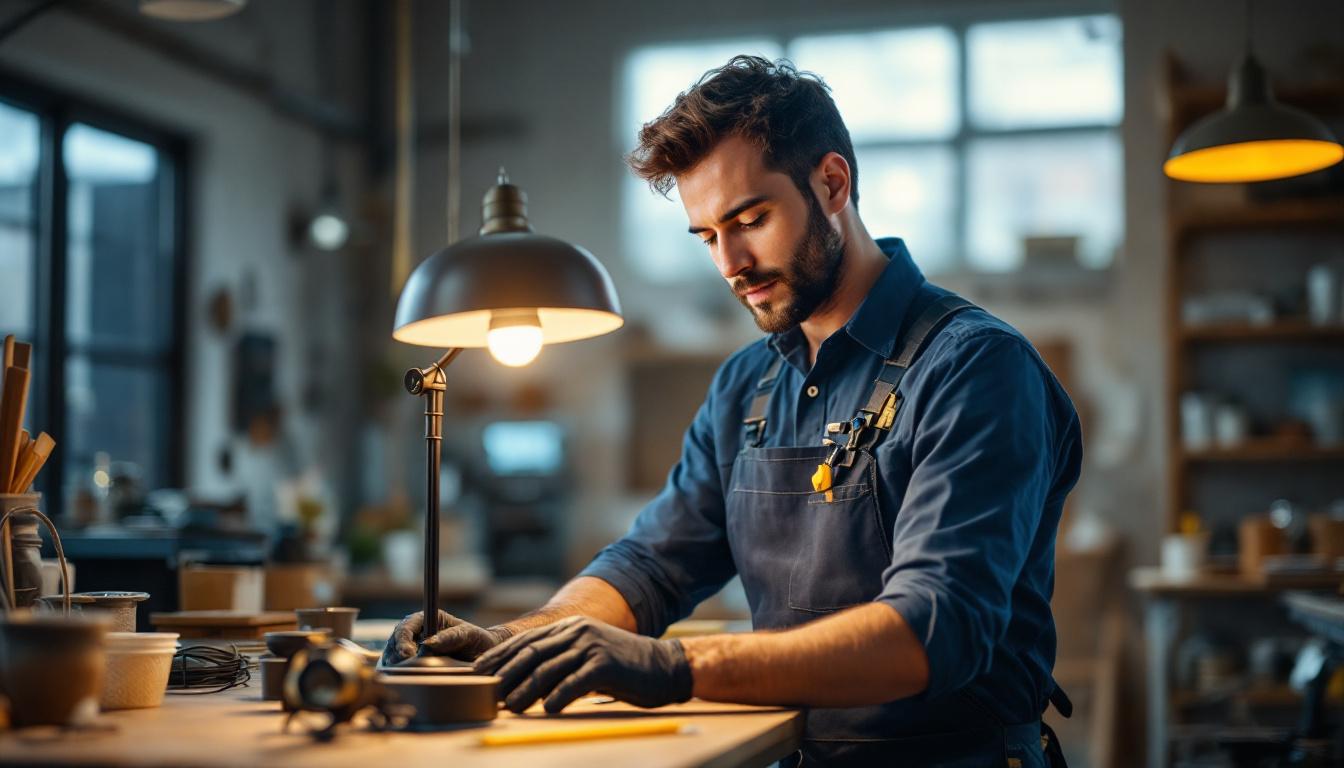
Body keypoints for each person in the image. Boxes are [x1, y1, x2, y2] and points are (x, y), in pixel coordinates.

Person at [383, 55, 1082, 767]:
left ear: (832, 184)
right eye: (708, 236)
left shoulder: (975, 369)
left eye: (750, 220)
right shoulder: (748, 385)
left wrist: (675, 666)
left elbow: (934, 629)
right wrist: (520, 640)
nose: (729, 263)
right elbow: (651, 564)